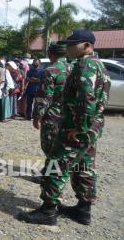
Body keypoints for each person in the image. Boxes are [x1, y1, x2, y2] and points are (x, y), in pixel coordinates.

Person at [18, 30, 111, 225]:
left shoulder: (86, 65)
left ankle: (48, 211)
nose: (68, 47)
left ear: (87, 45)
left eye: (72, 44)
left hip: (76, 129)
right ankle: (83, 209)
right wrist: (87, 128)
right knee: (84, 167)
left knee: (55, 166)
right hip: (92, 129)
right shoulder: (99, 65)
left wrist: (80, 127)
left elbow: (87, 98)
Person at [31, 43, 70, 178]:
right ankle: (50, 170)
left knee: (50, 146)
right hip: (70, 116)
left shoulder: (51, 70)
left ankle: (52, 177)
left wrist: (37, 117)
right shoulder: (74, 68)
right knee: (62, 145)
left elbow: (44, 98)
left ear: (50, 54)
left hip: (53, 116)